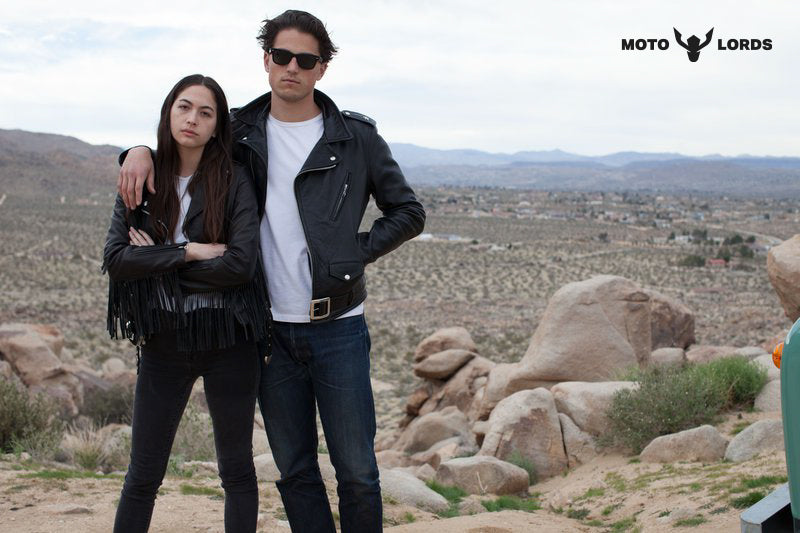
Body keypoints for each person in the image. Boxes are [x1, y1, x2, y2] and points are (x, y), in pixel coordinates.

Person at [119, 10, 426, 533]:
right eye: (282, 56)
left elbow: (409, 212)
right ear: (266, 60)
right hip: (266, 329)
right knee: (295, 470)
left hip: (338, 324)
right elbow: (184, 139)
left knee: (357, 471)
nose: (292, 68)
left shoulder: (355, 138)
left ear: (322, 68)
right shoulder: (239, 131)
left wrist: (351, 253)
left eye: (306, 60)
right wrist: (137, 151)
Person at [105, 74, 269, 533]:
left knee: (237, 471)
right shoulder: (140, 178)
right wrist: (188, 251)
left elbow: (240, 265)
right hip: (163, 339)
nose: (192, 119)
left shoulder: (234, 180)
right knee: (143, 474)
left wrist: (154, 263)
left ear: (217, 127)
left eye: (205, 112)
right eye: (184, 107)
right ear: (168, 112)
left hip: (229, 337)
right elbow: (116, 260)